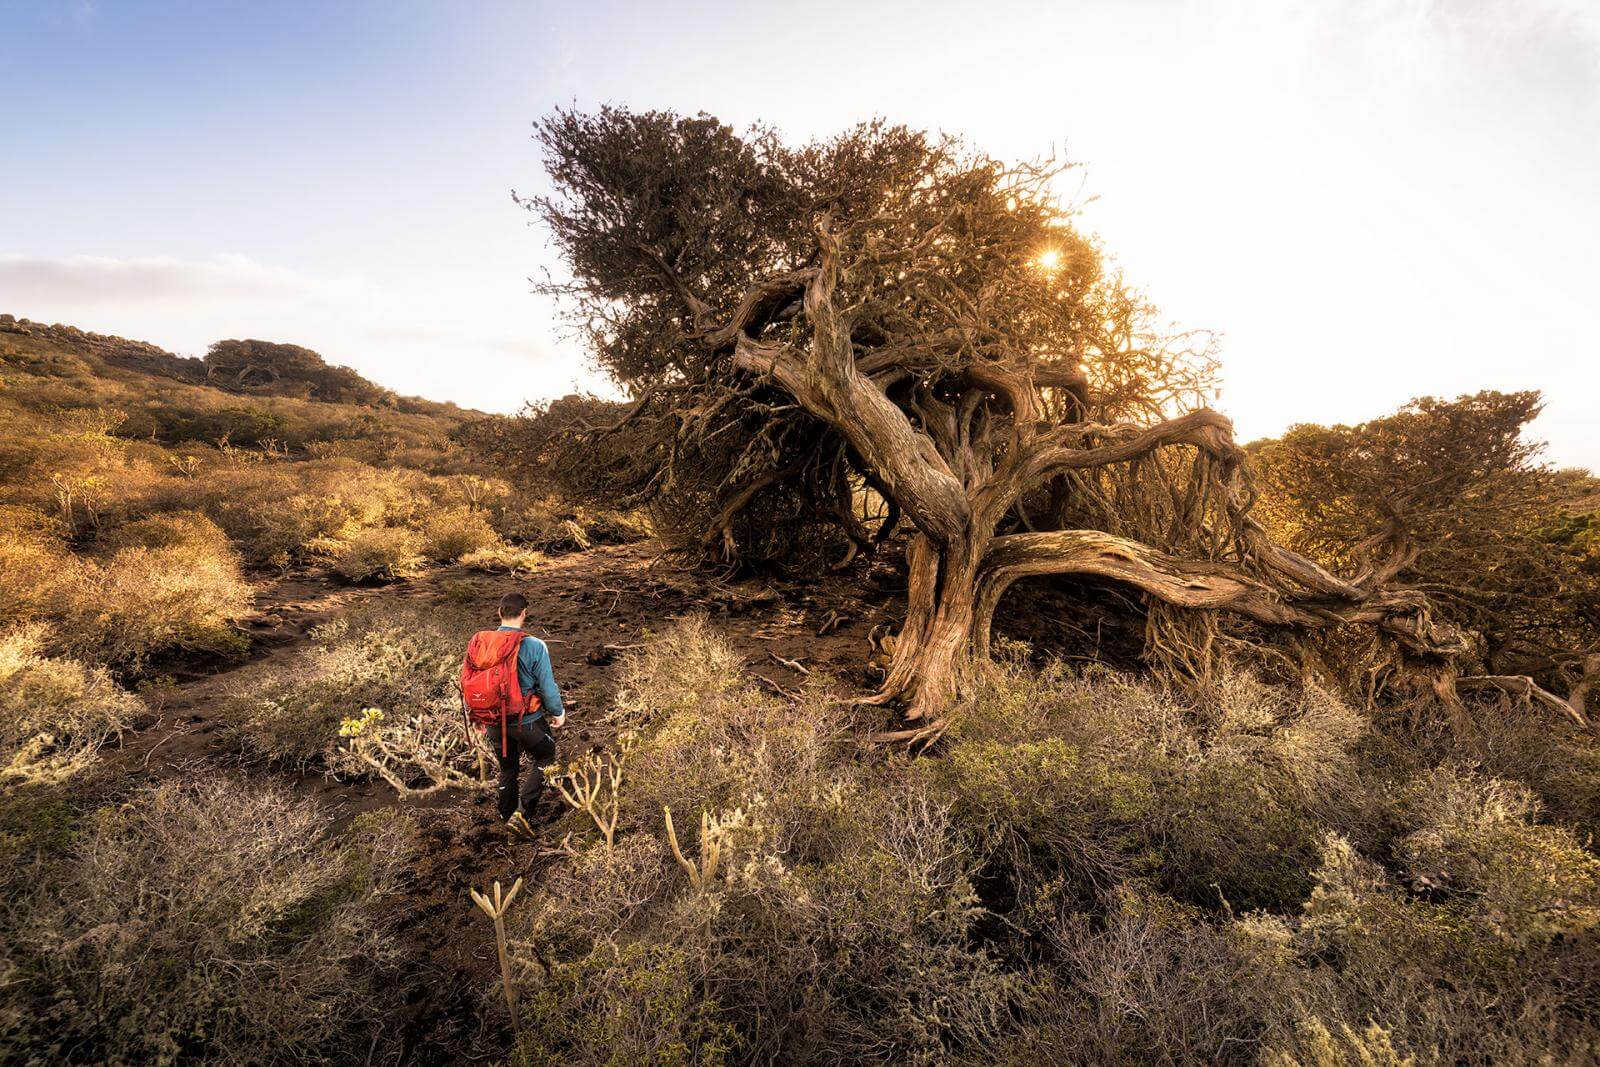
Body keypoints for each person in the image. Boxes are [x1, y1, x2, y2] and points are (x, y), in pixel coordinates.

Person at [463, 591, 566, 839]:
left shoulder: (481, 643)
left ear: (499, 613)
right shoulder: (534, 645)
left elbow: (470, 680)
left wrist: (477, 716)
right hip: (527, 722)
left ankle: (506, 816)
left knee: (507, 769)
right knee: (546, 757)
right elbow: (547, 686)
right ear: (524, 614)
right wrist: (557, 712)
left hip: (493, 721)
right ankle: (522, 815)